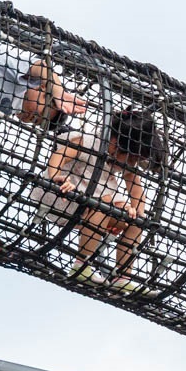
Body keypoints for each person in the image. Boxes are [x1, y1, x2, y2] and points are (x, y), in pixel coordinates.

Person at [0, 48, 87, 250]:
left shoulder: (11, 107)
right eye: (39, 114)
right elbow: (42, 66)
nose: (32, 120)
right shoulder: (23, 77)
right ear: (43, 89)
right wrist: (59, 91)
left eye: (37, 123)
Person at [30, 109, 164, 294]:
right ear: (115, 142)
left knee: (135, 222)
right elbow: (60, 155)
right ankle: (81, 267)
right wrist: (55, 177)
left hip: (91, 203)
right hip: (60, 195)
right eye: (131, 156)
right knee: (106, 204)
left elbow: (135, 187)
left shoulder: (124, 159)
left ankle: (122, 278)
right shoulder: (89, 142)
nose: (131, 163)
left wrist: (136, 211)